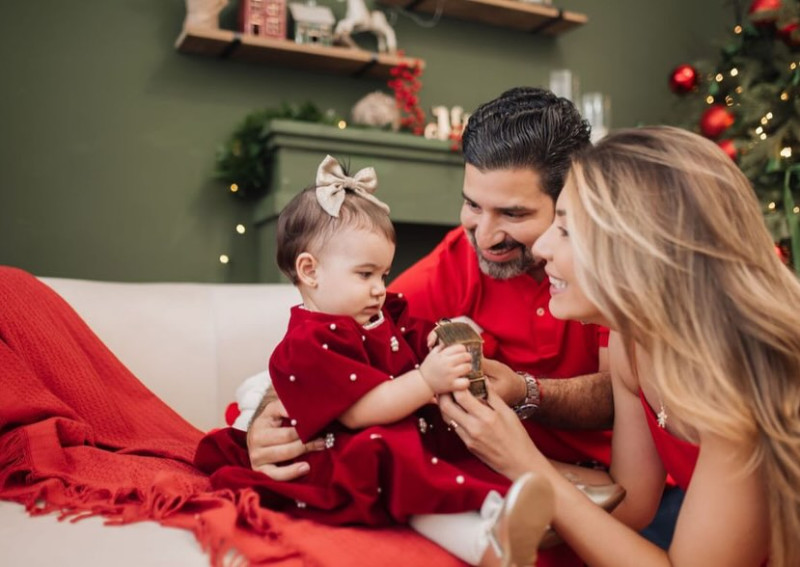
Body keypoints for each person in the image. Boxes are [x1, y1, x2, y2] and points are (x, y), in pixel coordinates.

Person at [438, 126, 800, 566]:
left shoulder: (742, 379)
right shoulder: (632, 340)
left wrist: (523, 462)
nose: (544, 247)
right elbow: (628, 503)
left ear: (639, 248)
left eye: (567, 232)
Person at [195, 155, 557, 566]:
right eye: (366, 275)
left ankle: (526, 505)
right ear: (310, 271)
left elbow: (410, 334)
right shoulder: (307, 344)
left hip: (392, 437)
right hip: (345, 457)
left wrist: (441, 335)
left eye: (383, 275)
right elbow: (359, 413)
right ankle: (488, 538)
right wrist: (426, 381)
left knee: (436, 441)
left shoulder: (376, 313)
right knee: (391, 455)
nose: (380, 289)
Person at [247, 86, 613, 479]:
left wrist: (525, 392)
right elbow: (337, 341)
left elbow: (621, 395)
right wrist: (265, 420)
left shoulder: (609, 263)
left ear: (566, 204)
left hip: (598, 474)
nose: (485, 237)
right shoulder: (455, 262)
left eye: (513, 213)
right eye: (473, 205)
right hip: (487, 473)